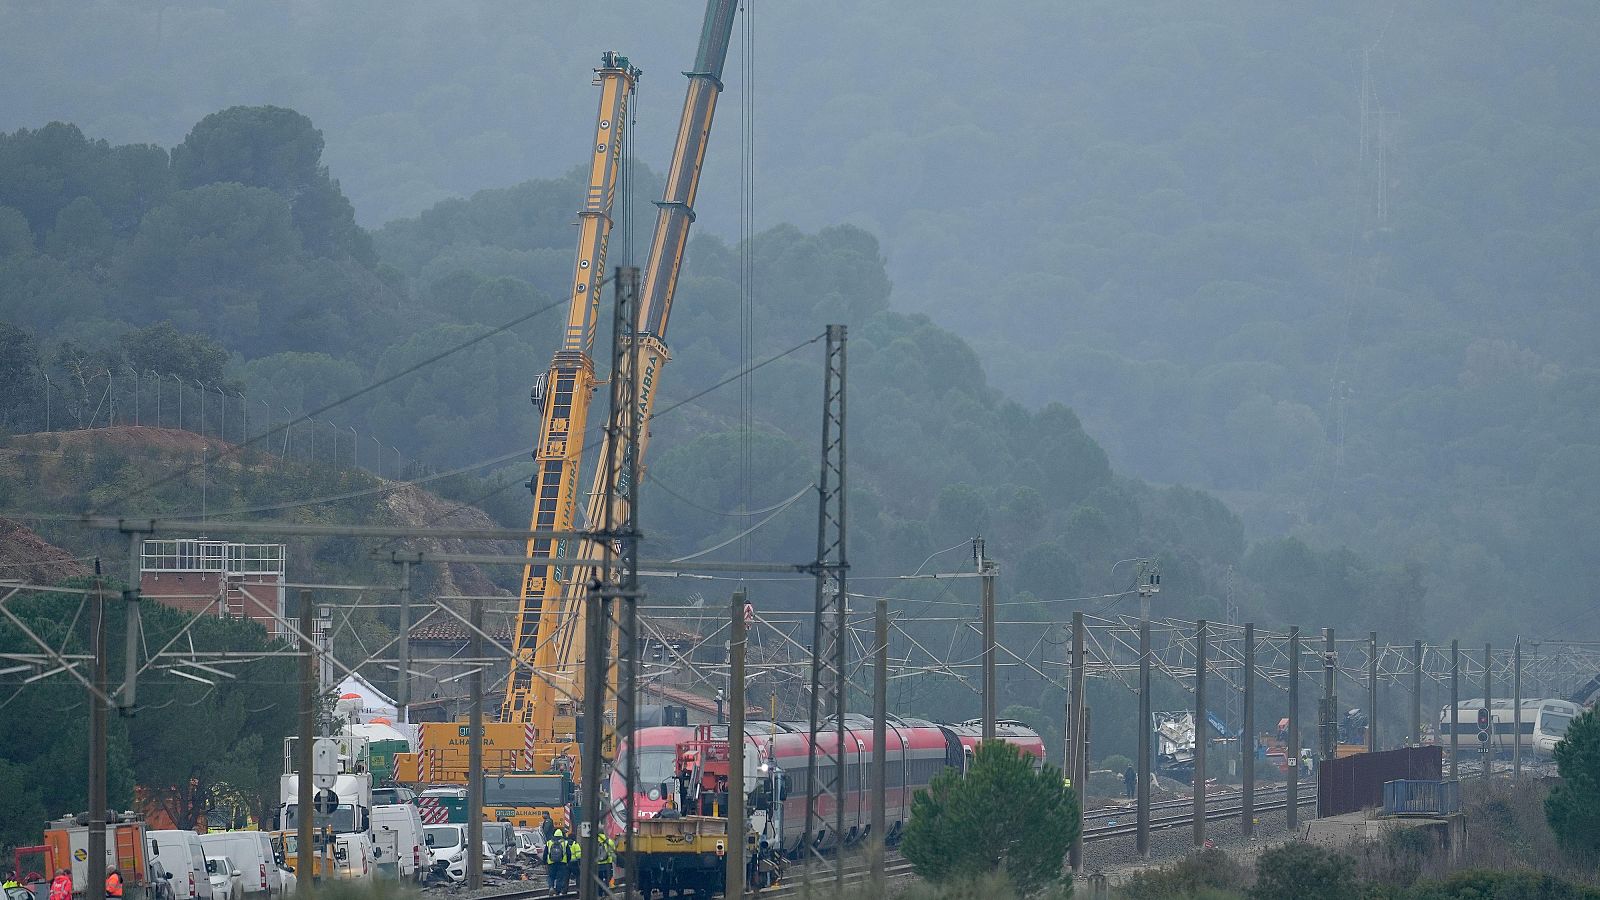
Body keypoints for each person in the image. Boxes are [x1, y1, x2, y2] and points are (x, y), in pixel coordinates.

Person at [545, 829, 569, 896]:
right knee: (560, 878)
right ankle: (557, 892)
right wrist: (567, 862)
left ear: (554, 835)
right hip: (562, 863)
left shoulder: (549, 842)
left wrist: (545, 862)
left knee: (550, 877)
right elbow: (569, 854)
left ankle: (551, 887)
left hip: (551, 863)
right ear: (561, 835)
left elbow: (545, 853)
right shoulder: (565, 843)